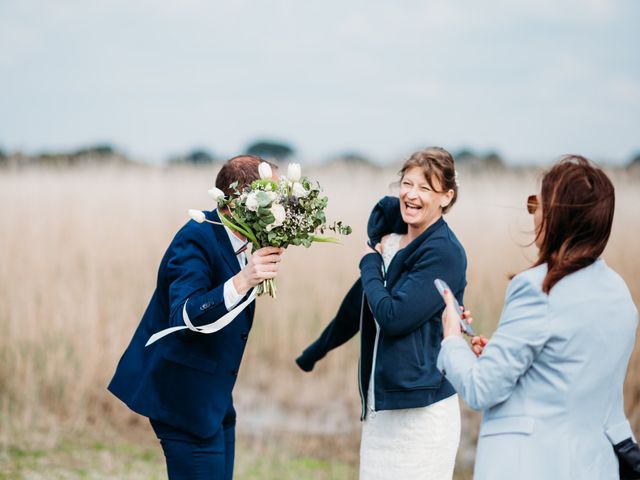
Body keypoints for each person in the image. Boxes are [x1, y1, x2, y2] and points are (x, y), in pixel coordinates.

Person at [438, 155, 639, 479]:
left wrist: (450, 341)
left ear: (556, 216)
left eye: (537, 204)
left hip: (532, 465)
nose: (533, 214)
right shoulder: (619, 293)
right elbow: (570, 376)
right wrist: (500, 356)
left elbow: (480, 388)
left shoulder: (536, 288)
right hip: (597, 467)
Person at [108, 155, 284, 480]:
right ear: (235, 201)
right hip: (182, 401)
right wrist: (244, 279)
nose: (279, 207)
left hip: (214, 400)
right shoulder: (196, 238)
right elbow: (185, 314)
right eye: (271, 197)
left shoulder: (244, 237)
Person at [297, 147, 467, 479]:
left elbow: (392, 317)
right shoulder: (393, 241)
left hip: (422, 411)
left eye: (425, 188)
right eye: (407, 183)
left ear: (446, 197)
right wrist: (314, 352)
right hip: (383, 405)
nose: (412, 195)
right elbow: (359, 305)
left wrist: (369, 262)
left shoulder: (444, 252)